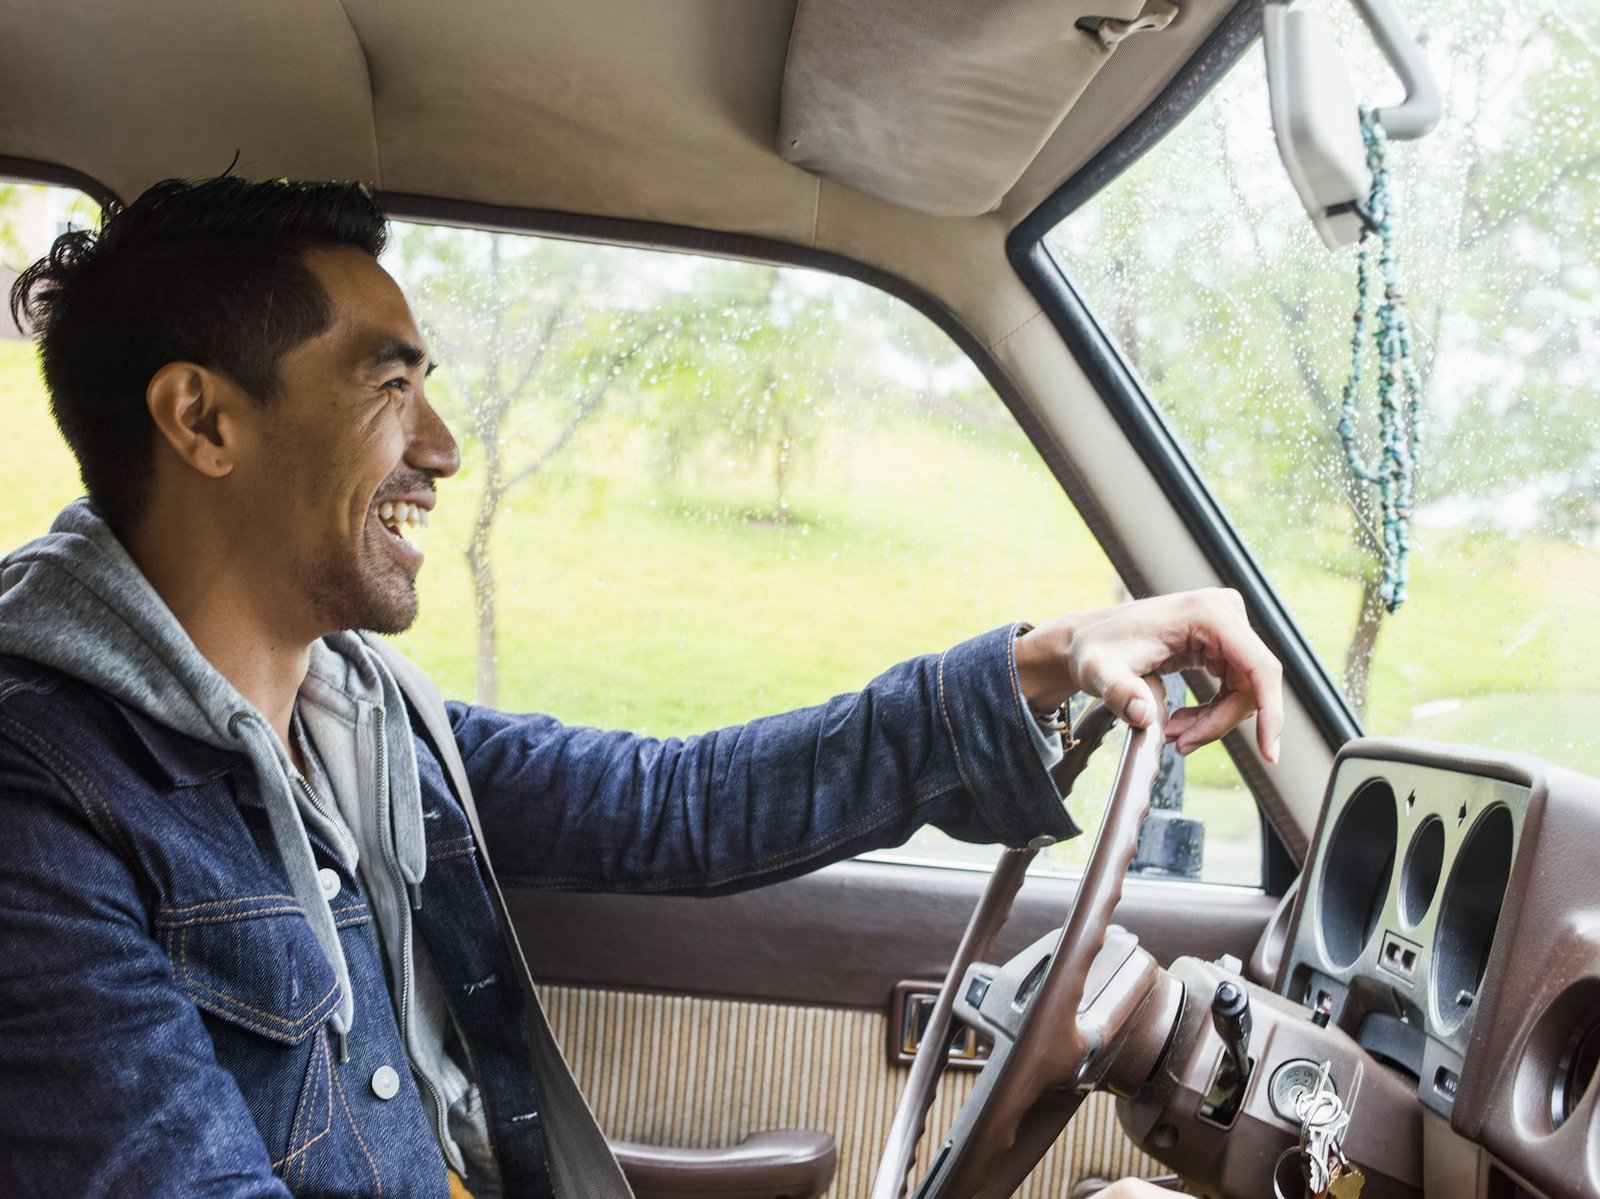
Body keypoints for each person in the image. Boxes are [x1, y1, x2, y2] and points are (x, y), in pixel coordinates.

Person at [0, 176, 1282, 1197]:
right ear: (203, 421)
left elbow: (673, 803)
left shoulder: (350, 720)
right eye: (391, 386)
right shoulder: (43, 813)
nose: (442, 448)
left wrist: (1036, 667)